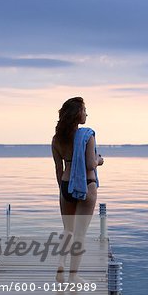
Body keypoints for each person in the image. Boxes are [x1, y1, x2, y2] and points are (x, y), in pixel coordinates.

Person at [51, 97, 104, 284]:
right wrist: (100, 159)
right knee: (80, 233)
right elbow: (90, 164)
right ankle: (73, 276)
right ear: (77, 114)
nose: (86, 113)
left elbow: (58, 168)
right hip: (86, 184)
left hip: (66, 185)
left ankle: (60, 265)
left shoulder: (57, 139)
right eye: (84, 109)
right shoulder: (87, 135)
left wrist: (62, 189)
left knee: (68, 230)